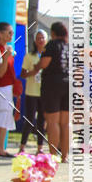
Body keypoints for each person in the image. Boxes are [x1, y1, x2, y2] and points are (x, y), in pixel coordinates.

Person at [33, 21, 69, 162]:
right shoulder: (69, 47)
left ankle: (53, 156)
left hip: (52, 83)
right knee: (65, 123)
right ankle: (65, 156)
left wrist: (36, 66)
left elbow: (44, 63)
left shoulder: (52, 45)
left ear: (53, 33)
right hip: (69, 83)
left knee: (52, 121)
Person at [19, 29, 47, 154]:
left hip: (45, 93)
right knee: (29, 120)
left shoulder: (48, 56)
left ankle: (40, 148)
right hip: (31, 92)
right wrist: (33, 72)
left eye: (42, 38)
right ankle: (22, 147)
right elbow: (23, 74)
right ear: (35, 41)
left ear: (46, 40)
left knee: (42, 121)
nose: (40, 40)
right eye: (38, 38)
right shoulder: (29, 56)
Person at [0, 21, 23, 157]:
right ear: (0, 34)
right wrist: (6, 56)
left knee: (4, 118)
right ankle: (1, 149)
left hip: (6, 88)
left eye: (12, 33)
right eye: (9, 32)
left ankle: (1, 148)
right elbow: (0, 73)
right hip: (1, 88)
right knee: (2, 117)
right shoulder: (0, 50)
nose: (12, 35)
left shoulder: (5, 48)